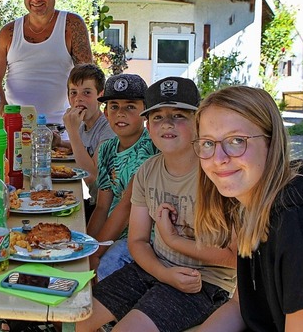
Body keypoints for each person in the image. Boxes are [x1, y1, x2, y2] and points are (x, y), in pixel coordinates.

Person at [77, 77, 236, 332]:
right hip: (153, 267)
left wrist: (174, 242)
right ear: (148, 126)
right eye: (158, 117)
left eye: (178, 115)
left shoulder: (217, 173)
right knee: (79, 318)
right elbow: (138, 241)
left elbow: (235, 258)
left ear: (199, 122)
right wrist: (163, 272)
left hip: (202, 281)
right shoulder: (147, 171)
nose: (167, 124)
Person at [193, 85, 303, 331]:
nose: (218, 158)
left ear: (271, 141)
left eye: (236, 141)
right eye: (208, 143)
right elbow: (239, 306)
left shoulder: (297, 219)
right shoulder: (251, 202)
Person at [0, 0, 93, 124]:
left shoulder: (71, 25)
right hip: (18, 129)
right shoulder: (8, 32)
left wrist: (82, 115)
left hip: (63, 126)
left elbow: (88, 75)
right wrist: (5, 113)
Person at [86, 74, 158, 280]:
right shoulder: (107, 149)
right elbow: (102, 206)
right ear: (105, 113)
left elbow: (127, 208)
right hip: (113, 230)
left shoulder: (151, 149)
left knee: (99, 274)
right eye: (114, 106)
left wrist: (96, 252)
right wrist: (88, 246)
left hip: (143, 236)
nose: (120, 114)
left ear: (145, 113)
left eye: (130, 107)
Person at [52, 63, 115, 215]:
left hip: (109, 209)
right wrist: (61, 143)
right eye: (73, 93)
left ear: (100, 96)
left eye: (86, 92)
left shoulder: (108, 128)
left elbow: (92, 175)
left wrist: (72, 131)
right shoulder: (83, 125)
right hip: (94, 201)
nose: (78, 99)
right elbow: (83, 147)